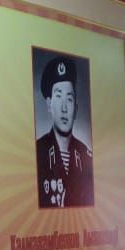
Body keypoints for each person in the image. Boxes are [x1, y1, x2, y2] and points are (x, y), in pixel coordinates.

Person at [35, 54, 94, 208]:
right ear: (49, 104)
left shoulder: (87, 157)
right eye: (58, 96)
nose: (64, 108)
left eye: (69, 99)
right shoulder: (37, 154)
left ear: (76, 108)